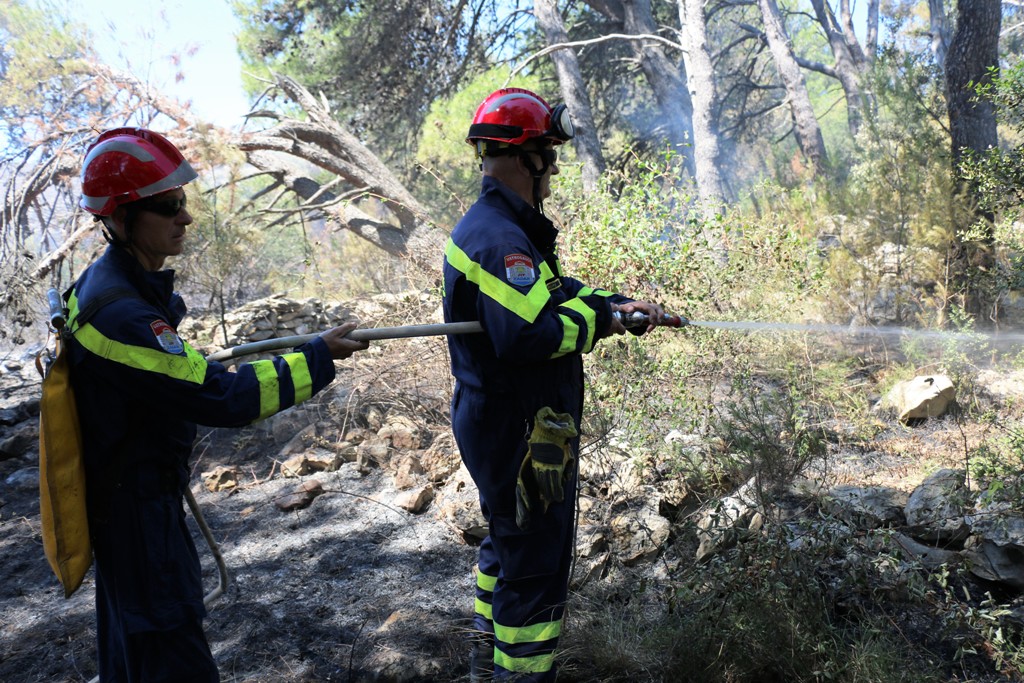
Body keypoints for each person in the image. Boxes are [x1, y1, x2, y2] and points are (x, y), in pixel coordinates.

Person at [68, 127, 369, 682]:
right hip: (137, 515)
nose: (184, 217)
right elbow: (222, 398)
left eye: (183, 202)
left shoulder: (115, 290)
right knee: (169, 651)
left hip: (132, 504)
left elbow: (174, 374)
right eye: (167, 206)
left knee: (133, 656)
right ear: (118, 218)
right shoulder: (122, 315)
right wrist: (318, 357)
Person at [442, 88, 665, 681]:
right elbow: (529, 335)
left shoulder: (508, 229)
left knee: (508, 542)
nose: (556, 165)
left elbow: (553, 296)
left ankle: (483, 663)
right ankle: (519, 674)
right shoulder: (498, 240)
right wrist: (605, 322)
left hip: (507, 420)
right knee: (535, 566)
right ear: (523, 157)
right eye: (548, 151)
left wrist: (617, 304)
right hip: (518, 429)